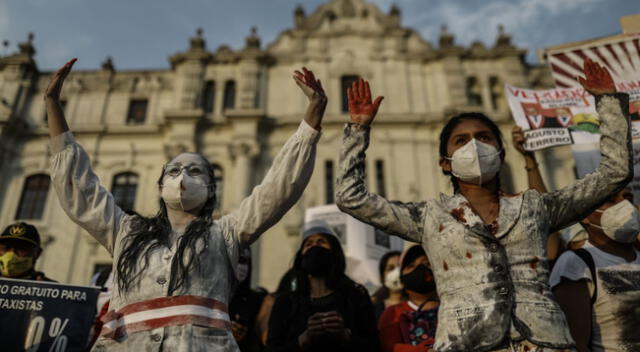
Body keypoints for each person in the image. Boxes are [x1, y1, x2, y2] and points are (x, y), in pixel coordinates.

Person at [335, 59, 631, 351]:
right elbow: (351, 197)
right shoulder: (428, 217)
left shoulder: (536, 207)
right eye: (461, 141)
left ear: (501, 154)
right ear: (445, 163)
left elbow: (614, 173)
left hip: (545, 343)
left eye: (484, 137)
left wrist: (607, 103)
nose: (474, 146)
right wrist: (358, 130)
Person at [45, 58, 327, 351]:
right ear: (159, 186)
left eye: (195, 171)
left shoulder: (225, 233)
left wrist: (312, 118)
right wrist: (53, 105)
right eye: (174, 171)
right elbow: (80, 188)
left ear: (210, 188)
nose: (182, 178)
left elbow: (278, 188)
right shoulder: (126, 231)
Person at [550, 188, 640, 352]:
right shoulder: (576, 264)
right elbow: (576, 344)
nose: (625, 205)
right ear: (584, 215)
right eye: (610, 201)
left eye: (628, 198)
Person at [265, 221, 378, 352]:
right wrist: (302, 339)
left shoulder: (356, 295)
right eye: (308, 244)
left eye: (321, 242)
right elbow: (271, 348)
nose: (314, 246)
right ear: (301, 257)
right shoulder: (286, 302)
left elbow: (374, 345)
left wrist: (345, 335)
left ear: (335, 252)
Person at [378, 245, 439, 352]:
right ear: (402, 280)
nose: (420, 268)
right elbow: (389, 347)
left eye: (427, 263)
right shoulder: (393, 313)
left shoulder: (452, 307)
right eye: (411, 266)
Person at [229, 248, 268, 352]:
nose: (240, 266)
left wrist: (246, 337)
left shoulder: (257, 301)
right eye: (235, 259)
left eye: (243, 261)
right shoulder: (211, 299)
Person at [371, 250, 403, 320]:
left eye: (400, 267)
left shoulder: (418, 304)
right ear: (382, 277)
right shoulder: (373, 309)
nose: (397, 272)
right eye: (390, 268)